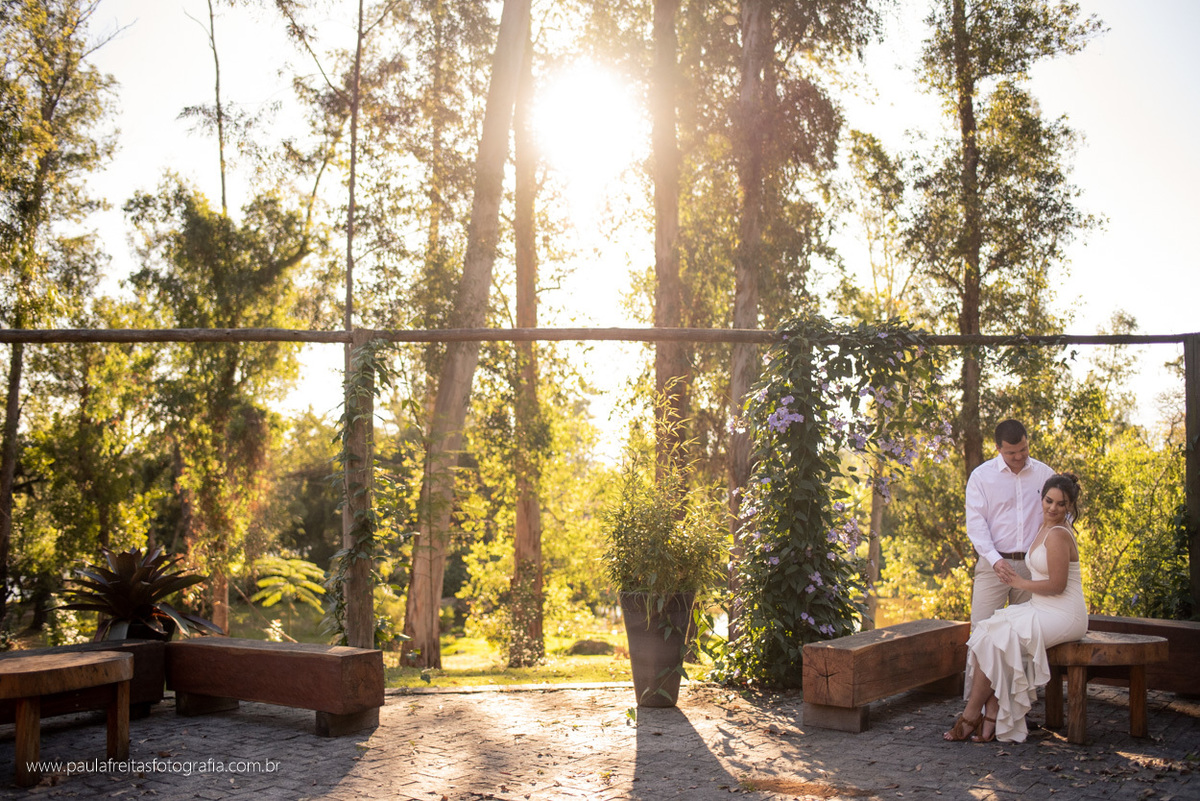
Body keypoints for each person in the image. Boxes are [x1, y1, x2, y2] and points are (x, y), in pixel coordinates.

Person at [943, 473, 1088, 743]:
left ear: (1069, 507)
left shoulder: (1058, 535)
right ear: (1042, 498)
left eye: (1061, 504)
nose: (1053, 508)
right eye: (1049, 501)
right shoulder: (1044, 528)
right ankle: (992, 711)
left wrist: (1021, 582)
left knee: (1001, 638)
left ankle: (972, 715)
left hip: (1064, 613)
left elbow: (1057, 585)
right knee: (986, 633)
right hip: (1041, 608)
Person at [965, 420, 1056, 626]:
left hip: (1032, 568)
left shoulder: (1046, 475)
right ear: (998, 449)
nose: (1018, 456)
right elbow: (976, 525)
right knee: (981, 631)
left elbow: (1060, 518)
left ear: (1027, 442)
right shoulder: (981, 477)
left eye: (1023, 449)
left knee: (1027, 634)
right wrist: (995, 560)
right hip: (993, 565)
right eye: (1011, 452)